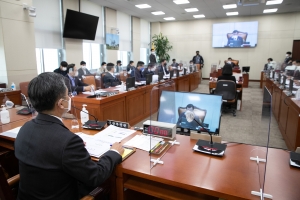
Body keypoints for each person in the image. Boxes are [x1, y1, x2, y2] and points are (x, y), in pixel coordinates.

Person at [14, 72, 124, 200]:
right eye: (68, 95)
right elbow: (95, 176)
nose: (70, 97)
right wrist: (114, 152)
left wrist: (71, 145)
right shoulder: (68, 141)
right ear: (61, 104)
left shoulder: (25, 128)